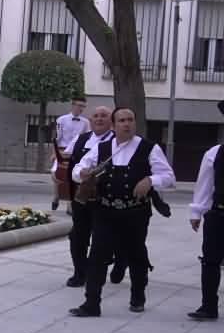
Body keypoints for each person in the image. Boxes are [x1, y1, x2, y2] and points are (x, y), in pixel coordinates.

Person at [69, 107, 175, 317]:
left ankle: (138, 296)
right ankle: (91, 303)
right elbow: (77, 169)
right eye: (122, 120)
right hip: (105, 211)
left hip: (135, 212)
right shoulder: (102, 148)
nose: (127, 124)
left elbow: (169, 177)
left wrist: (150, 180)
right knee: (97, 255)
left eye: (130, 120)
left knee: (136, 254)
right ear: (114, 125)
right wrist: (82, 173)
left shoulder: (148, 148)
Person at [61, 105, 114, 287]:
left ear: (111, 121)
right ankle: (80, 272)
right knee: (78, 235)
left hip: (105, 198)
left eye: (104, 116)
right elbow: (67, 157)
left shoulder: (116, 141)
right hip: (81, 196)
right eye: (96, 116)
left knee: (103, 237)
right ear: (90, 121)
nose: (99, 119)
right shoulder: (81, 138)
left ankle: (103, 265)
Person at [188, 123, 224, 321]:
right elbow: (205, 183)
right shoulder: (215, 153)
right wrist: (197, 211)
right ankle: (209, 306)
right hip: (219, 214)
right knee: (210, 261)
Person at [51, 97, 89, 210]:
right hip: (62, 150)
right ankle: (56, 196)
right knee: (56, 173)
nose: (81, 108)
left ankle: (69, 204)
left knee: (72, 176)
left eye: (83, 106)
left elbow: (87, 138)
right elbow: (56, 138)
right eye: (79, 105)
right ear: (73, 105)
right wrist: (54, 153)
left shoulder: (86, 122)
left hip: (76, 152)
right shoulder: (61, 120)